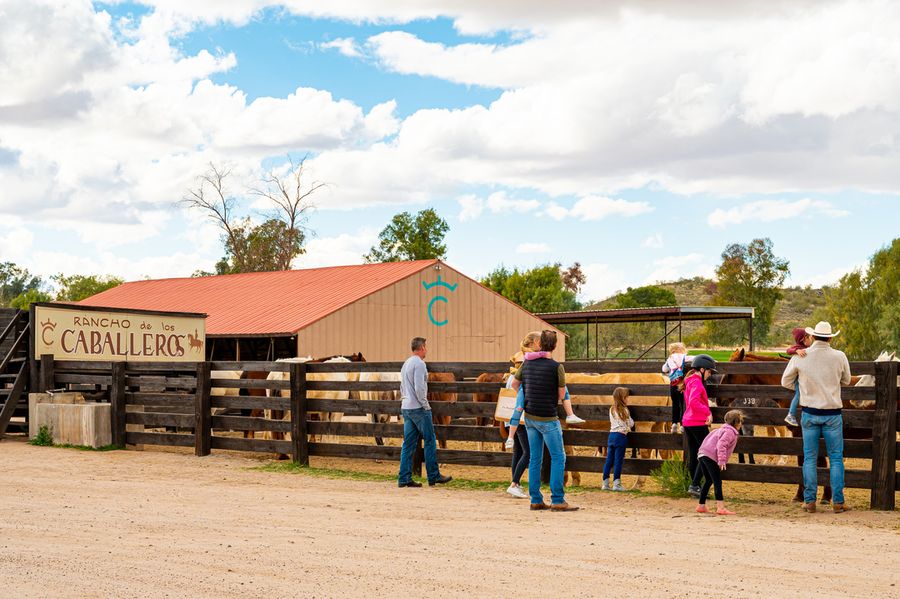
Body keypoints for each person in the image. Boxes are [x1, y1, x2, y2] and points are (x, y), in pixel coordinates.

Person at [781, 321, 852, 514]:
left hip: (810, 413)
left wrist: (803, 386)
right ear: (830, 337)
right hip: (832, 414)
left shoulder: (800, 356)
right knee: (836, 458)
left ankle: (809, 501)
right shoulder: (839, 356)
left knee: (809, 458)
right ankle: (838, 501)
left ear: (812, 337)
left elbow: (785, 381)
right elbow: (846, 380)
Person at [504, 333, 585, 499]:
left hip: (530, 418)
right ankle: (557, 499)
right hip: (548, 418)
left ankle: (535, 499)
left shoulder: (526, 364)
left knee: (535, 458)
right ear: (554, 347)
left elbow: (514, 384)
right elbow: (562, 394)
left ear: (540, 343)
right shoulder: (556, 367)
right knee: (558, 457)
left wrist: (527, 395)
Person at [397, 337, 452, 488]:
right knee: (429, 440)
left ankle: (404, 477)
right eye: (425, 347)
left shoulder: (406, 363)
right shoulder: (420, 364)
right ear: (421, 348)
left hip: (406, 407)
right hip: (418, 408)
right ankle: (433, 475)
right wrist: (425, 404)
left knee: (408, 444)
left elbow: (402, 386)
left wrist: (406, 398)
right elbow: (420, 387)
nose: (426, 350)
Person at [681, 354, 718, 498]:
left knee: (695, 455)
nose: (710, 375)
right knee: (706, 453)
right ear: (702, 370)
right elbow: (693, 402)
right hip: (697, 422)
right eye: (709, 372)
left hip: (688, 422)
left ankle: (695, 487)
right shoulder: (696, 383)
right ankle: (695, 484)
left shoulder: (690, 381)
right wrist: (708, 412)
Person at [695, 409, 744, 516]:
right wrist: (721, 460)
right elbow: (721, 445)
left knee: (708, 480)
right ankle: (720, 507)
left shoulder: (719, 430)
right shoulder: (730, 432)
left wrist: (701, 454)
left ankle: (701, 505)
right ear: (736, 423)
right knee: (717, 481)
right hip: (711, 456)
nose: (741, 424)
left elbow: (707, 440)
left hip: (703, 454)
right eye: (740, 421)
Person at [602, 387, 633, 492]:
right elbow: (630, 424)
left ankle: (605, 483)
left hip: (611, 436)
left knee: (609, 461)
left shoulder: (611, 409)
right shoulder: (625, 410)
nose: (628, 399)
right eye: (627, 397)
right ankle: (616, 484)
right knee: (618, 461)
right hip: (621, 437)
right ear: (622, 398)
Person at [662, 342, 693, 434]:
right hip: (682, 385)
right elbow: (695, 358)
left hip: (673, 384)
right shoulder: (684, 357)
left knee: (675, 404)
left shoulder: (670, 358)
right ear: (682, 349)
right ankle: (683, 425)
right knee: (683, 403)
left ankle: (674, 424)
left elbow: (664, 369)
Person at [783, 328, 812, 426]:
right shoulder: (799, 347)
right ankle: (791, 414)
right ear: (803, 339)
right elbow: (788, 350)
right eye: (809, 337)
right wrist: (797, 350)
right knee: (798, 394)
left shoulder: (806, 348)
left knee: (800, 394)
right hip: (798, 378)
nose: (811, 340)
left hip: (801, 377)